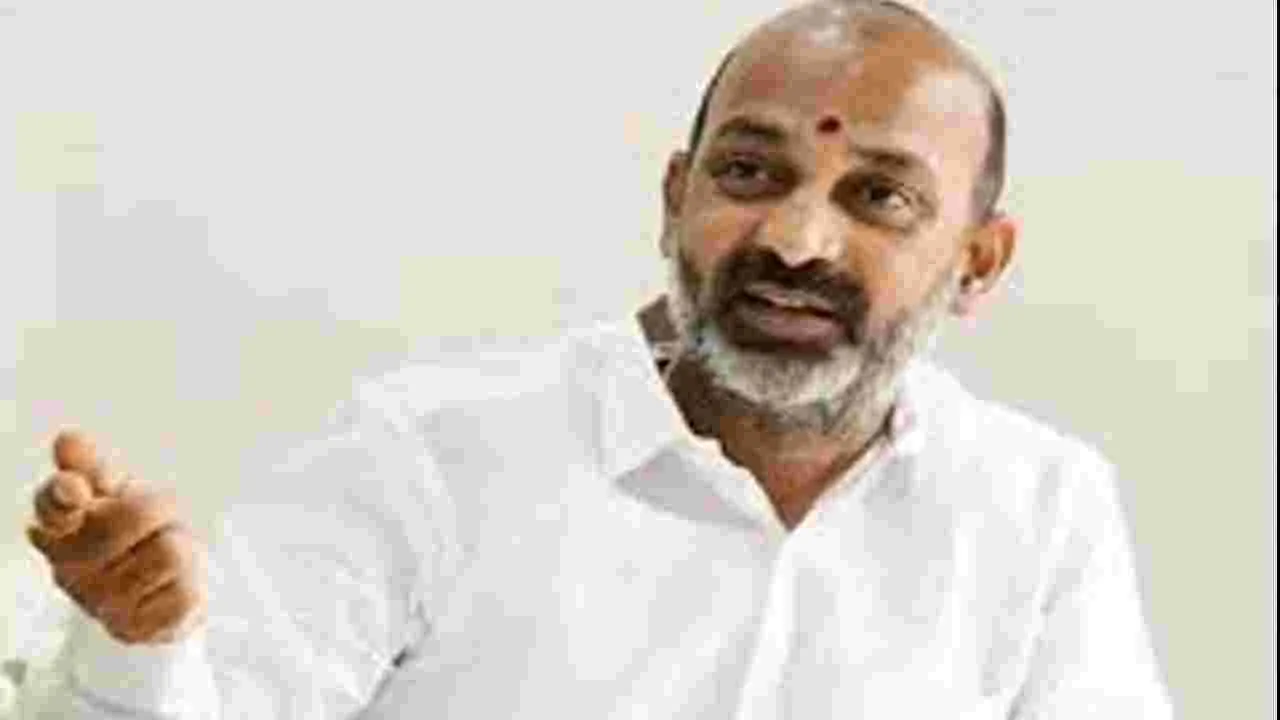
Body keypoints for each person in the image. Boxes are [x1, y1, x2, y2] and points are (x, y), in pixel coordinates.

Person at [17, 1, 1175, 717]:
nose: (793, 240)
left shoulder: (1037, 509)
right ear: (675, 199)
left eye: (878, 197)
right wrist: (136, 642)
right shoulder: (430, 456)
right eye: (749, 173)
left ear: (976, 262)